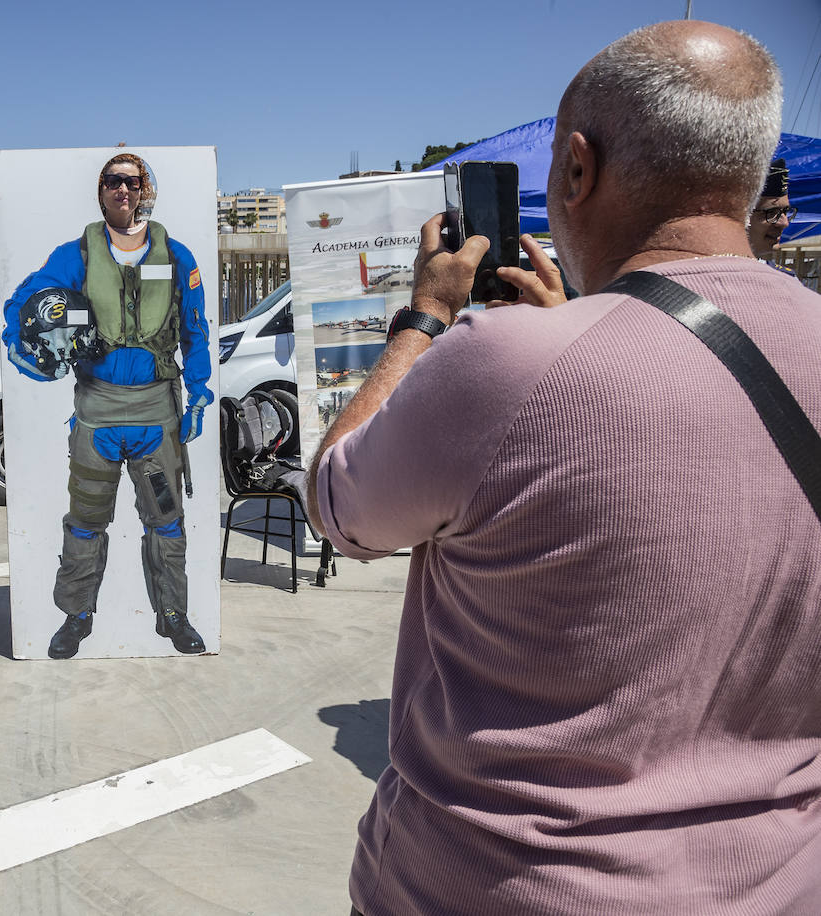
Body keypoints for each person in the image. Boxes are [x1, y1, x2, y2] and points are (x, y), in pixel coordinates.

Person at [309, 21, 821, 915]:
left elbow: (337, 504)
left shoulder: (503, 361)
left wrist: (424, 322)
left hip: (497, 885)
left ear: (578, 168)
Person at [3, 153, 213, 659]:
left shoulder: (177, 256)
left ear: (144, 191)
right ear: (100, 191)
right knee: (85, 520)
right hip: (96, 415)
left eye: (132, 183)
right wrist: (24, 342)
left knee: (165, 521)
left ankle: (173, 615)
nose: (123, 190)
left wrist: (200, 393)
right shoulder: (76, 255)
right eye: (114, 182)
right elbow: (23, 304)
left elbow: (195, 331)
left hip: (155, 417)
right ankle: (76, 616)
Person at [747, 157, 797, 265]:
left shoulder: (782, 276)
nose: (785, 223)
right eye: (771, 212)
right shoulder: (711, 271)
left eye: (785, 212)